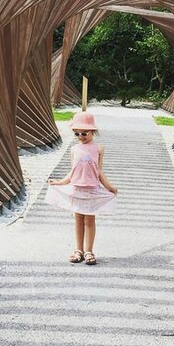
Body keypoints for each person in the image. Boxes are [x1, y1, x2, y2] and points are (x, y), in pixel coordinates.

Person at [46, 111, 118, 265]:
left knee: (90, 221)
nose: (80, 136)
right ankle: (78, 250)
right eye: (76, 133)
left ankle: (89, 251)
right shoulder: (74, 149)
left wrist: (109, 187)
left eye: (84, 133)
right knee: (78, 220)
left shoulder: (98, 148)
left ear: (92, 131)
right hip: (77, 189)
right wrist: (60, 182)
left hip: (91, 190)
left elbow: (99, 171)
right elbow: (72, 171)